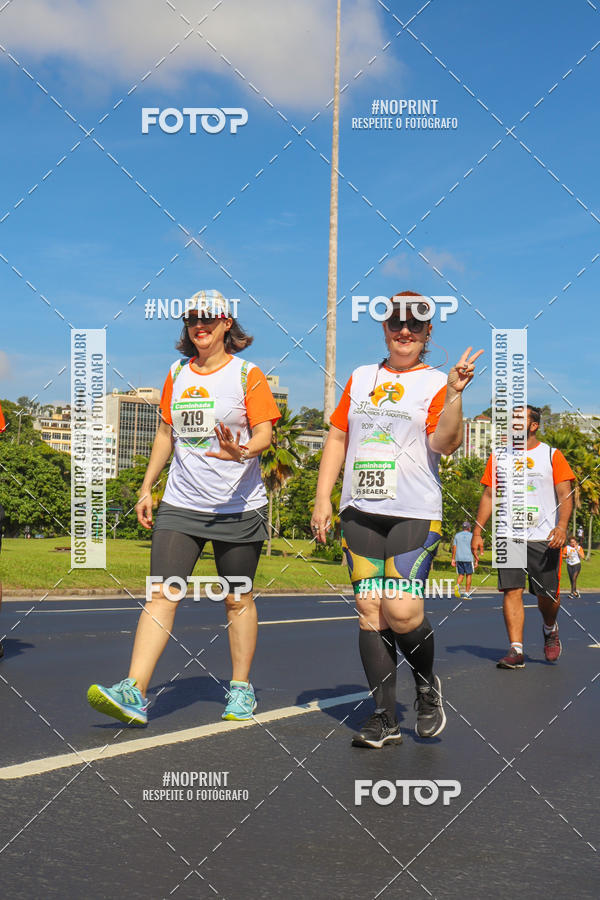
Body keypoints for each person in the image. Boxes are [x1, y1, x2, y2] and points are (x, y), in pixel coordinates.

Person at [87, 290, 280, 725]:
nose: (200, 325)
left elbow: (265, 434)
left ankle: (242, 689)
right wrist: (145, 487)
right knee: (162, 592)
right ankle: (134, 690)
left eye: (209, 319)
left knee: (236, 599)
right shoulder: (177, 373)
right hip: (181, 503)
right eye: (193, 318)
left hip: (239, 507)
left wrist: (243, 451)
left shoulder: (247, 374)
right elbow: (165, 436)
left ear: (227, 323)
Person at [312, 291, 482, 748]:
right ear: (384, 329)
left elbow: (445, 444)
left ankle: (426, 685)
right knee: (371, 611)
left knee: (401, 611)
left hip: (413, 512)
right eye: (394, 322)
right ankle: (384, 718)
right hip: (360, 512)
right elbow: (337, 438)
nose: (403, 330)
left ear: (428, 333)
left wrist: (454, 395)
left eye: (415, 324)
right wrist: (322, 498)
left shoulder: (434, 383)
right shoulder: (362, 376)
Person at [472, 405, 574, 668]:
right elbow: (489, 495)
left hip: (544, 536)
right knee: (511, 590)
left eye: (520, 419)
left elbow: (565, 495)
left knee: (547, 597)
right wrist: (478, 531)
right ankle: (516, 650)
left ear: (533, 425)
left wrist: (562, 527)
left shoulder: (552, 455)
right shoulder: (499, 456)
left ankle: (550, 628)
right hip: (509, 535)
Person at [451, 521, 475, 598]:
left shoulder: (457, 535)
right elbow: (474, 548)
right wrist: (477, 559)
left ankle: (457, 585)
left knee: (461, 574)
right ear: (469, 528)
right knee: (469, 575)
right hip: (468, 558)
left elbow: (454, 547)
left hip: (459, 558)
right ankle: (466, 593)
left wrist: (453, 559)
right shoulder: (472, 536)